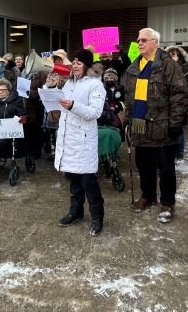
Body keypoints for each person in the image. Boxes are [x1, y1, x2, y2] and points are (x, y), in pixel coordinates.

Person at [122, 28, 188, 223]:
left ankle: (167, 203)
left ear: (156, 43)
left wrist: (175, 123)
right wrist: (127, 121)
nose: (140, 43)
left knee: (166, 169)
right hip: (140, 127)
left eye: (144, 40)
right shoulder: (134, 67)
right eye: (138, 40)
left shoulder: (168, 64)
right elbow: (129, 97)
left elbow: (180, 95)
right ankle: (148, 196)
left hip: (163, 128)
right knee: (144, 165)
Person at [54, 49, 106, 236]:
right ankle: (75, 212)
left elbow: (95, 112)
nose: (75, 65)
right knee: (73, 180)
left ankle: (97, 218)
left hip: (83, 141)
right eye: (73, 62)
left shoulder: (95, 85)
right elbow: (62, 106)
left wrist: (73, 106)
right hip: (68, 139)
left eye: (79, 62)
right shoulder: (68, 83)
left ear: (87, 65)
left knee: (88, 181)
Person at [165, 45, 188, 160]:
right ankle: (171, 153)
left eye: (174, 54)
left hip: (180, 105)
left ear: (179, 56)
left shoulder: (185, 69)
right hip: (166, 105)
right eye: (169, 55)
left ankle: (179, 154)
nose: (172, 57)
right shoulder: (164, 68)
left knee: (179, 129)